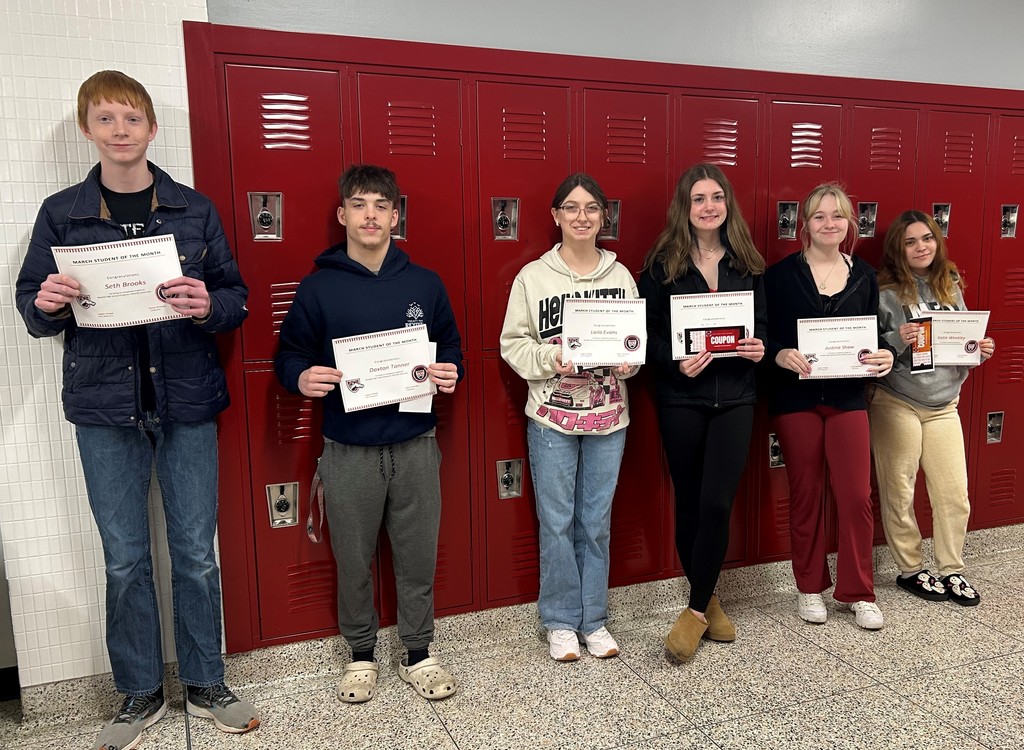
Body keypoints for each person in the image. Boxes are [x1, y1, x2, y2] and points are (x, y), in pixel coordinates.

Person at [14, 71, 258, 750]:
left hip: (186, 403)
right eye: (105, 120)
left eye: (131, 119)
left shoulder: (194, 210)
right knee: (123, 558)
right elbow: (32, 309)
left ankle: (207, 680)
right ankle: (140, 690)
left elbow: (236, 297)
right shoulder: (62, 214)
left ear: (151, 129)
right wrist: (45, 303)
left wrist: (210, 305)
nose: (120, 131)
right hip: (103, 410)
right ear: (89, 130)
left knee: (194, 554)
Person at [274, 164, 462, 704]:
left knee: (416, 556)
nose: (371, 214)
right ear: (342, 215)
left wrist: (450, 370)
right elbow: (290, 356)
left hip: (416, 444)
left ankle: (418, 652)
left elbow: (450, 348)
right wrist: (301, 377)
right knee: (353, 558)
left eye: (381, 205)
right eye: (359, 204)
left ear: (396, 215)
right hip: (348, 448)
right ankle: (359, 655)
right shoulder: (318, 288)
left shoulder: (424, 283)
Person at [499, 173, 639, 662]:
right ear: (556, 216)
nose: (583, 217)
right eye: (572, 208)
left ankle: (594, 619)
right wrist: (548, 360)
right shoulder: (533, 278)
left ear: (604, 217)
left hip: (609, 419)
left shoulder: (620, 277)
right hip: (552, 421)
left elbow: (633, 347)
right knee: (556, 521)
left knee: (595, 522)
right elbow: (512, 344)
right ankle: (560, 620)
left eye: (592, 209)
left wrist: (630, 362)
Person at [638, 164, 766, 660]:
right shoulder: (661, 265)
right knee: (689, 501)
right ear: (684, 208)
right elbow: (644, 337)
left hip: (735, 397)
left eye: (716, 197)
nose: (708, 206)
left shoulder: (748, 263)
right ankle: (710, 599)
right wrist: (675, 361)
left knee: (717, 502)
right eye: (698, 199)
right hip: (682, 398)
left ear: (727, 203)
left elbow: (768, 328)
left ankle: (692, 613)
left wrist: (761, 348)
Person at [764, 183, 894, 631]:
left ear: (849, 224)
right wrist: (780, 353)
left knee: (857, 495)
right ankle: (809, 588)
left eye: (837, 216)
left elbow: (873, 338)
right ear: (805, 224)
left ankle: (859, 591)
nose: (828, 223)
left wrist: (885, 356)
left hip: (846, 398)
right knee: (806, 493)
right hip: (796, 398)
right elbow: (764, 336)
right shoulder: (780, 276)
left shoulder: (865, 275)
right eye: (819, 216)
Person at [869, 210, 993, 606]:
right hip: (897, 400)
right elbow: (868, 347)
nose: (921, 247)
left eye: (927, 239)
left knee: (954, 493)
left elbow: (959, 336)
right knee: (899, 488)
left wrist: (978, 349)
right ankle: (910, 569)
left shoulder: (948, 281)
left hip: (944, 403)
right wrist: (896, 336)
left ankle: (952, 569)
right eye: (910, 241)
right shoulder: (883, 288)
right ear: (898, 249)